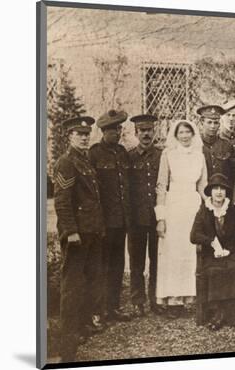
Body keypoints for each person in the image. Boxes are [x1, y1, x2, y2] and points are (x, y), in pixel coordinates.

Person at [53, 116, 105, 362]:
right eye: (79, 134)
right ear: (69, 137)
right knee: (72, 287)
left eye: (87, 134)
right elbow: (63, 202)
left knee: (88, 283)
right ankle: (67, 344)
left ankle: (82, 329)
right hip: (77, 235)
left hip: (91, 232)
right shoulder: (66, 163)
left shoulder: (84, 160)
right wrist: (71, 231)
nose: (84, 137)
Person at [154, 120, 208, 317]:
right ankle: (173, 301)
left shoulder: (199, 156)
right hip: (174, 206)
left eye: (188, 132)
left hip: (192, 207)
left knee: (191, 251)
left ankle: (190, 298)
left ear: (193, 134)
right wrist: (161, 217)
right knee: (173, 253)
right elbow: (161, 185)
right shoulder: (168, 155)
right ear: (175, 135)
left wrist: (210, 205)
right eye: (181, 133)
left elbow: (203, 186)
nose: (185, 136)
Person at [89, 109, 132, 322]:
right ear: (104, 132)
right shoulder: (94, 154)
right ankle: (100, 310)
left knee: (117, 265)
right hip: (104, 222)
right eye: (114, 129)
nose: (118, 132)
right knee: (102, 266)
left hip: (121, 221)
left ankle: (114, 307)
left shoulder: (122, 152)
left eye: (119, 128)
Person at [190, 173, 235, 330]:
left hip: (232, 252)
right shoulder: (204, 210)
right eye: (215, 188)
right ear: (210, 192)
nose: (219, 192)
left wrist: (228, 250)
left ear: (226, 192)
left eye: (222, 188)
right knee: (214, 269)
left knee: (233, 267)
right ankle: (219, 312)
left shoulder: (233, 210)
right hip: (211, 253)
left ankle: (224, 313)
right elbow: (194, 235)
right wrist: (212, 243)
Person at [127, 114, 163, 316]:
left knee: (157, 260)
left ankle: (155, 299)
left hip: (156, 217)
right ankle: (137, 301)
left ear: (154, 132)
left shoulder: (161, 155)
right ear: (136, 133)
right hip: (136, 219)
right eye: (142, 131)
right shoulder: (129, 157)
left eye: (149, 130)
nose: (146, 134)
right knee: (137, 262)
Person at [198, 105, 235, 179]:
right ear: (202, 122)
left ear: (219, 124)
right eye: (209, 122)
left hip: (221, 189)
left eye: (215, 123)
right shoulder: (195, 144)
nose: (212, 126)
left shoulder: (227, 145)